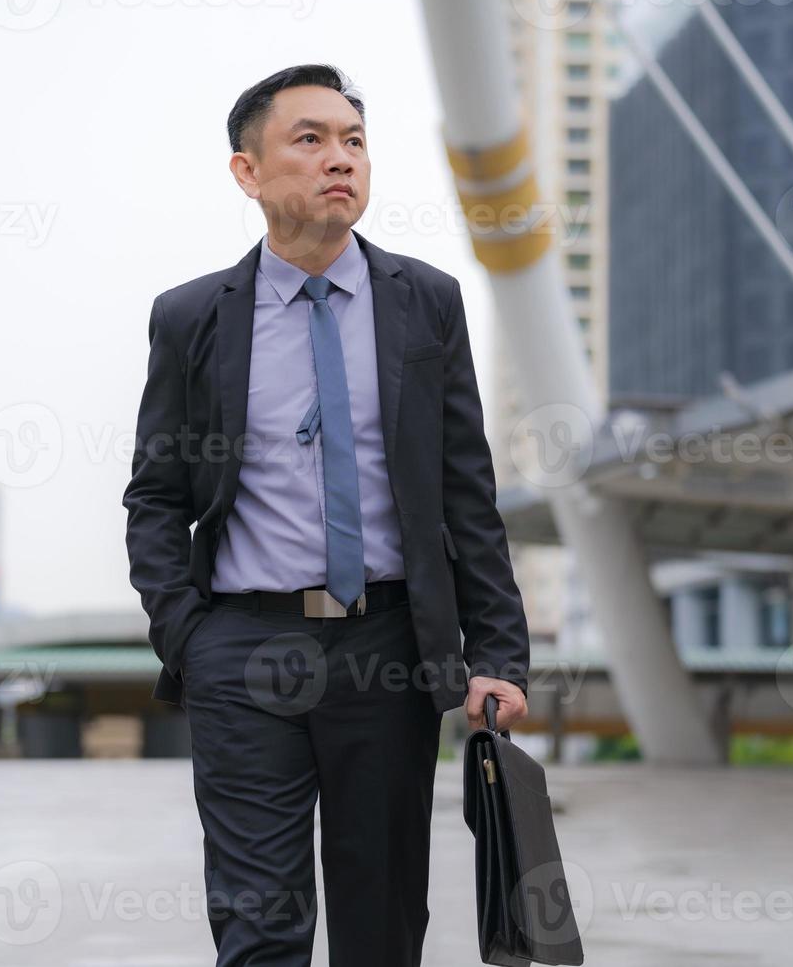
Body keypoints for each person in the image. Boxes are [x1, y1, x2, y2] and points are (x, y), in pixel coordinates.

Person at [123, 62, 531, 967]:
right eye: (309, 140)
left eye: (353, 141)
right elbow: (156, 495)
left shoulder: (424, 302)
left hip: (387, 649)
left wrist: (496, 654)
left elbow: (467, 494)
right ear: (248, 172)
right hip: (243, 651)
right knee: (258, 922)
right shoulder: (192, 318)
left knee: (382, 924)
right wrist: (187, 637)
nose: (338, 159)